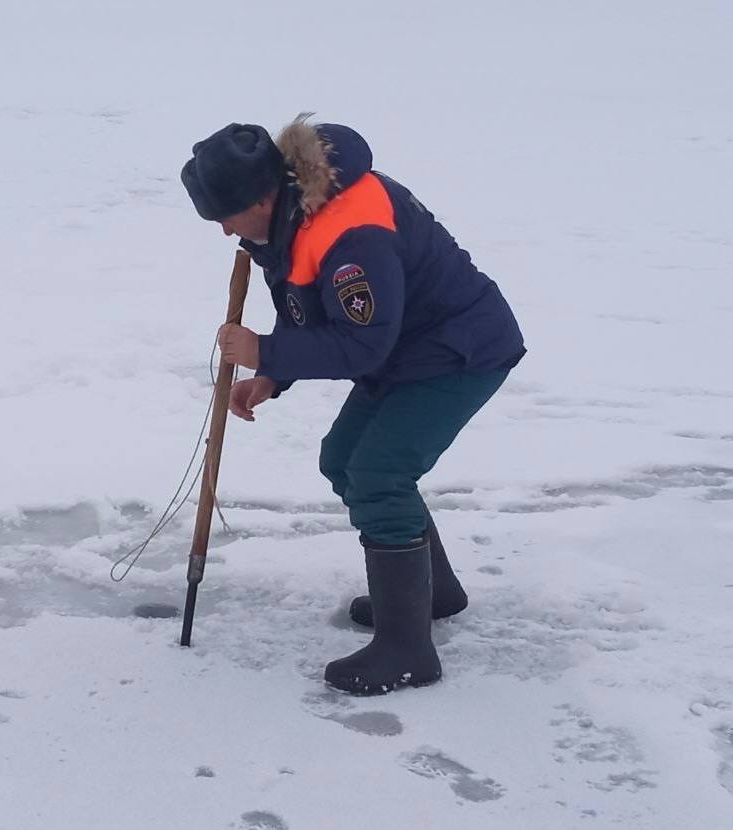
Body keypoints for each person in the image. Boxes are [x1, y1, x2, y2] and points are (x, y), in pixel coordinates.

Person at [180, 116, 525, 695]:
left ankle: (407, 649)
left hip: (460, 351)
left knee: (378, 475)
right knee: (343, 459)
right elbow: (310, 307)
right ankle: (432, 593)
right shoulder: (288, 217)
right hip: (408, 350)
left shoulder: (349, 233)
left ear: (261, 197)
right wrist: (273, 372)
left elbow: (363, 342)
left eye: (224, 218)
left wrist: (265, 348)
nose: (222, 233)